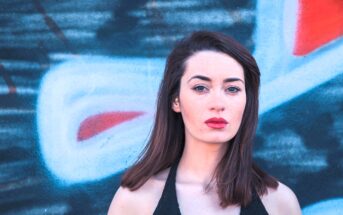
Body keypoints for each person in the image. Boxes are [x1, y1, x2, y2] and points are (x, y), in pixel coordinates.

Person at [108, 31, 302, 215]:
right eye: (201, 88)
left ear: (247, 101)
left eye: (232, 89)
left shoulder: (279, 202)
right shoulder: (136, 201)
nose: (218, 104)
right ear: (176, 100)